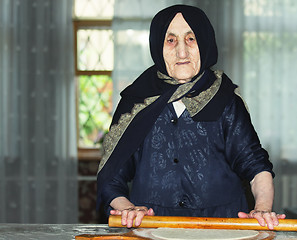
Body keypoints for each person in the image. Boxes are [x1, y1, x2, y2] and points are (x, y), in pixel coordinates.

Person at [97, 4, 286, 230]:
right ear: (157, 45)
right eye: (171, 40)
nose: (182, 52)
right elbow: (111, 177)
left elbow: (255, 166)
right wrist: (126, 208)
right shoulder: (135, 102)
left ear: (204, 43)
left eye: (190, 39)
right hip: (151, 227)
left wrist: (263, 208)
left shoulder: (226, 101)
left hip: (222, 227)